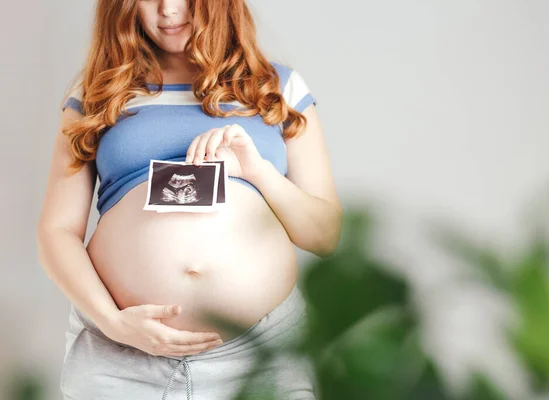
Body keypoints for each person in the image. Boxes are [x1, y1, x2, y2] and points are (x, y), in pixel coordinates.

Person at [36, 0, 342, 399]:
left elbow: (326, 235)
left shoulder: (276, 88)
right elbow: (57, 230)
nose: (169, 10)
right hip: (123, 354)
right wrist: (114, 323)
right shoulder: (98, 92)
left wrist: (257, 171)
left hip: (259, 354)